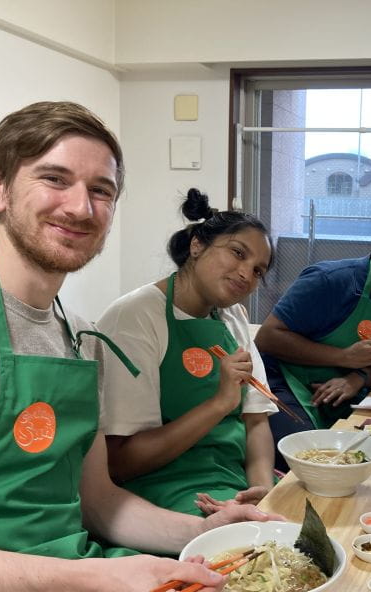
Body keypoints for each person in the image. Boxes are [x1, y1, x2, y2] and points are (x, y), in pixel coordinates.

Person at [0, 102, 279, 592]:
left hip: (69, 589)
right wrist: (90, 581)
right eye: (55, 179)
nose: (81, 207)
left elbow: (99, 501)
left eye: (102, 191)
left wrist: (204, 530)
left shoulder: (79, 336)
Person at [97, 188, 276, 517]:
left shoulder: (232, 316)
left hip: (231, 479)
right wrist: (219, 403)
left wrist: (262, 493)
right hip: (159, 490)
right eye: (238, 253)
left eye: (258, 271)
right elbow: (121, 462)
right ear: (197, 245)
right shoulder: (135, 318)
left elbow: (256, 421)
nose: (246, 274)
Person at [255, 209, 371, 469]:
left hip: (345, 386)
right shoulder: (330, 282)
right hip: (283, 379)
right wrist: (343, 357)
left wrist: (358, 376)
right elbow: (266, 338)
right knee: (308, 458)